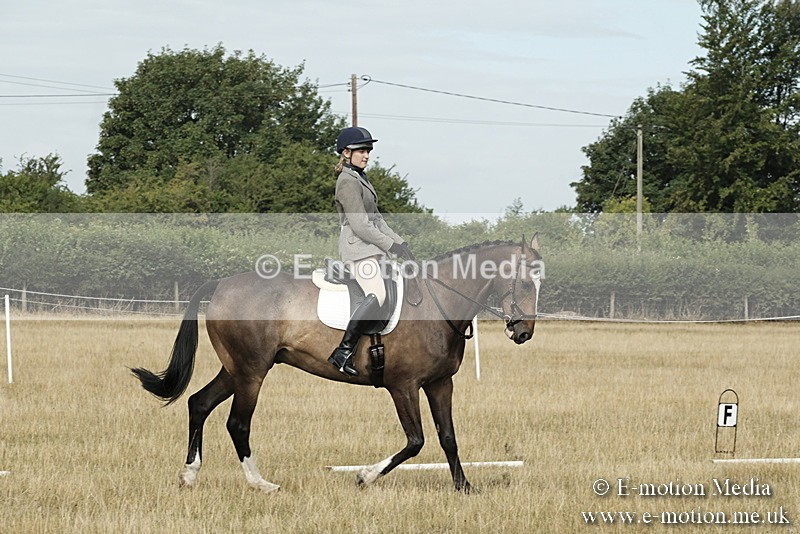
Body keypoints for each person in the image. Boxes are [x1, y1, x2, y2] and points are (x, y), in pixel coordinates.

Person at [328, 126, 413, 376]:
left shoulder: (361, 178)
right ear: (346, 152)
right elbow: (360, 225)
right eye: (361, 150)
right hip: (357, 249)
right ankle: (343, 352)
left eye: (368, 150)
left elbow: (377, 220)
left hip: (371, 249)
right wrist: (390, 245)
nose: (366, 155)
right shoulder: (346, 181)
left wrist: (401, 243)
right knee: (378, 293)